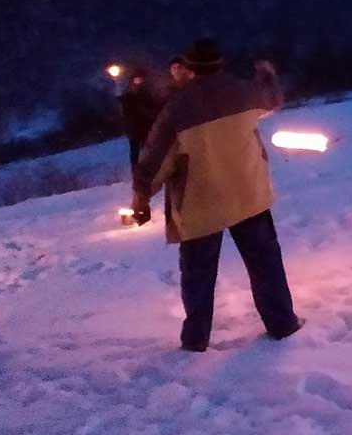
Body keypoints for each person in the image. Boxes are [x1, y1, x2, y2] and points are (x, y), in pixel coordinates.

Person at [130, 39, 302, 351]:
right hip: (249, 196)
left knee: (198, 276)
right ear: (221, 64)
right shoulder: (243, 92)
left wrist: (141, 199)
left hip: (201, 206)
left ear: (189, 68)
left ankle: (196, 340)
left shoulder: (178, 110)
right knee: (265, 264)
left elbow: (154, 160)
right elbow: (273, 99)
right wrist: (266, 74)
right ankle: (283, 323)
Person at [119, 68, 162, 171]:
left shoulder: (146, 93)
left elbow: (152, 106)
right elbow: (126, 112)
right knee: (135, 150)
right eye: (136, 80)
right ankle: (136, 170)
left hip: (145, 126)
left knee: (145, 149)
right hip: (134, 128)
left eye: (140, 79)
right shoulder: (127, 96)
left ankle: (146, 169)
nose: (138, 82)